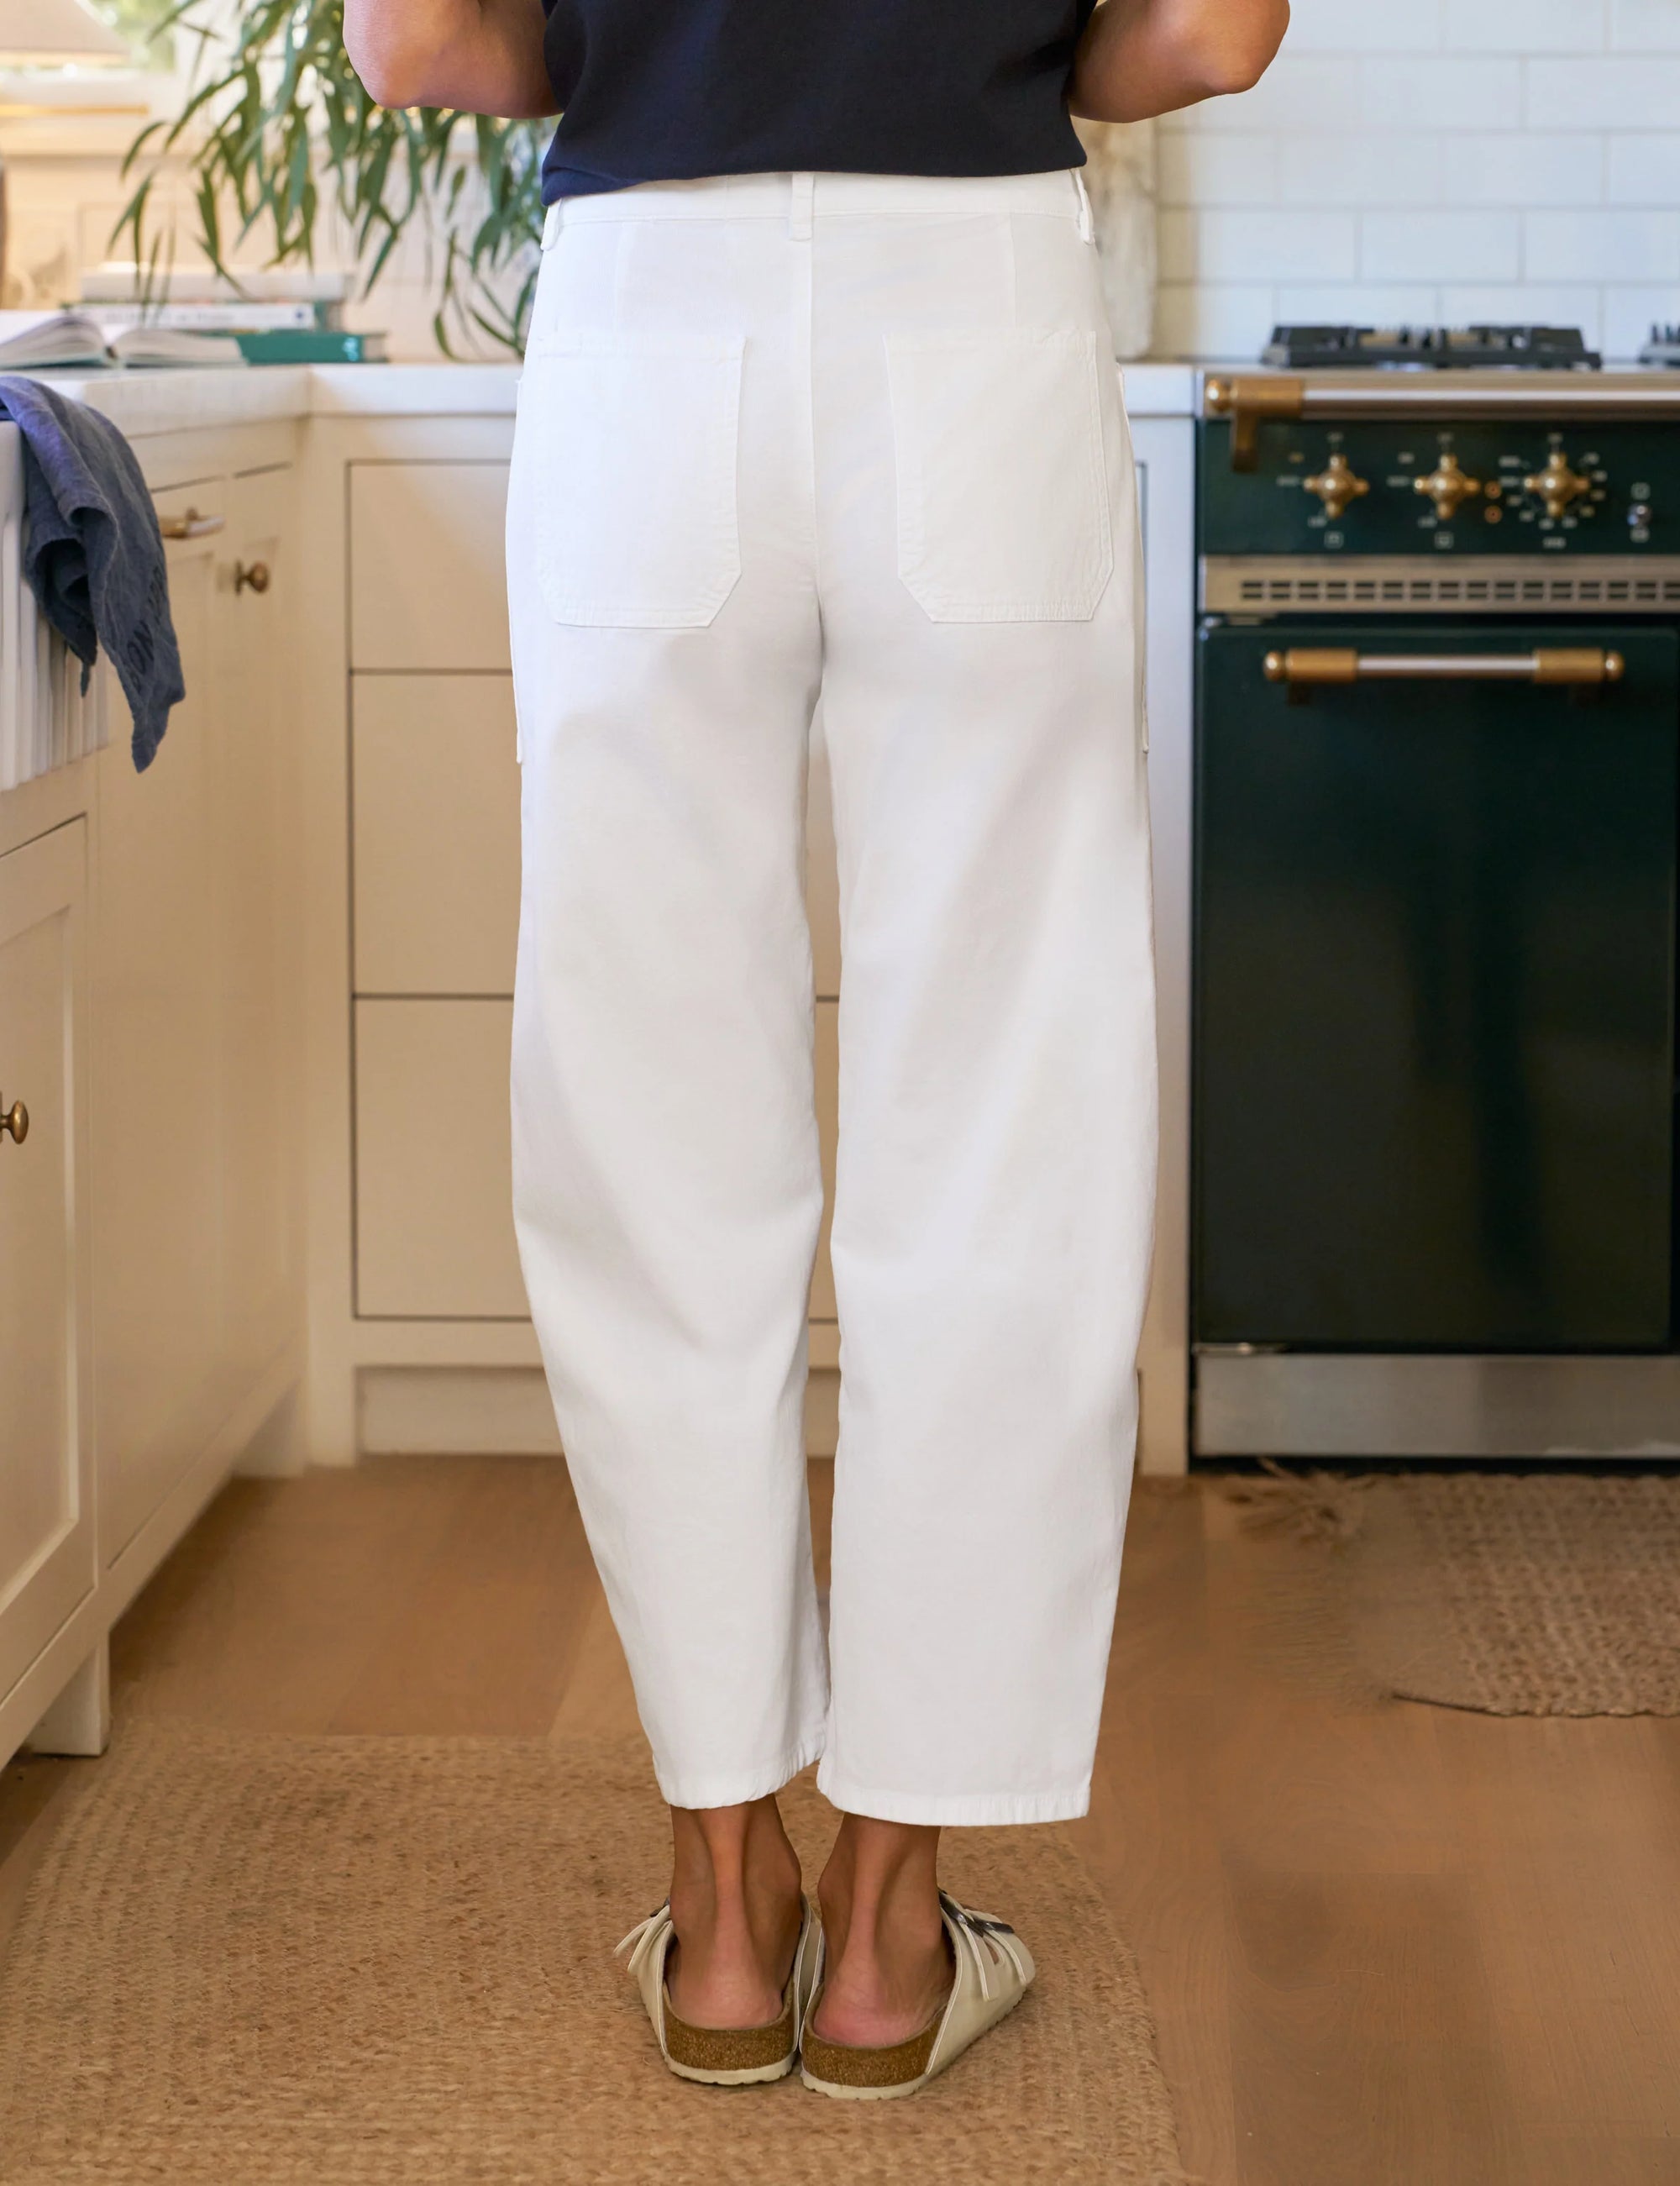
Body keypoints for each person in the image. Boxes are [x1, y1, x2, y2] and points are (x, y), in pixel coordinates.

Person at [347, 0, 1289, 2101]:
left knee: (653, 1123)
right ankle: (885, 1932)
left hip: (645, 323)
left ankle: (718, 1911)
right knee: (998, 1126)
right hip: (974, 300)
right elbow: (1214, 36)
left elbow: (415, 45)